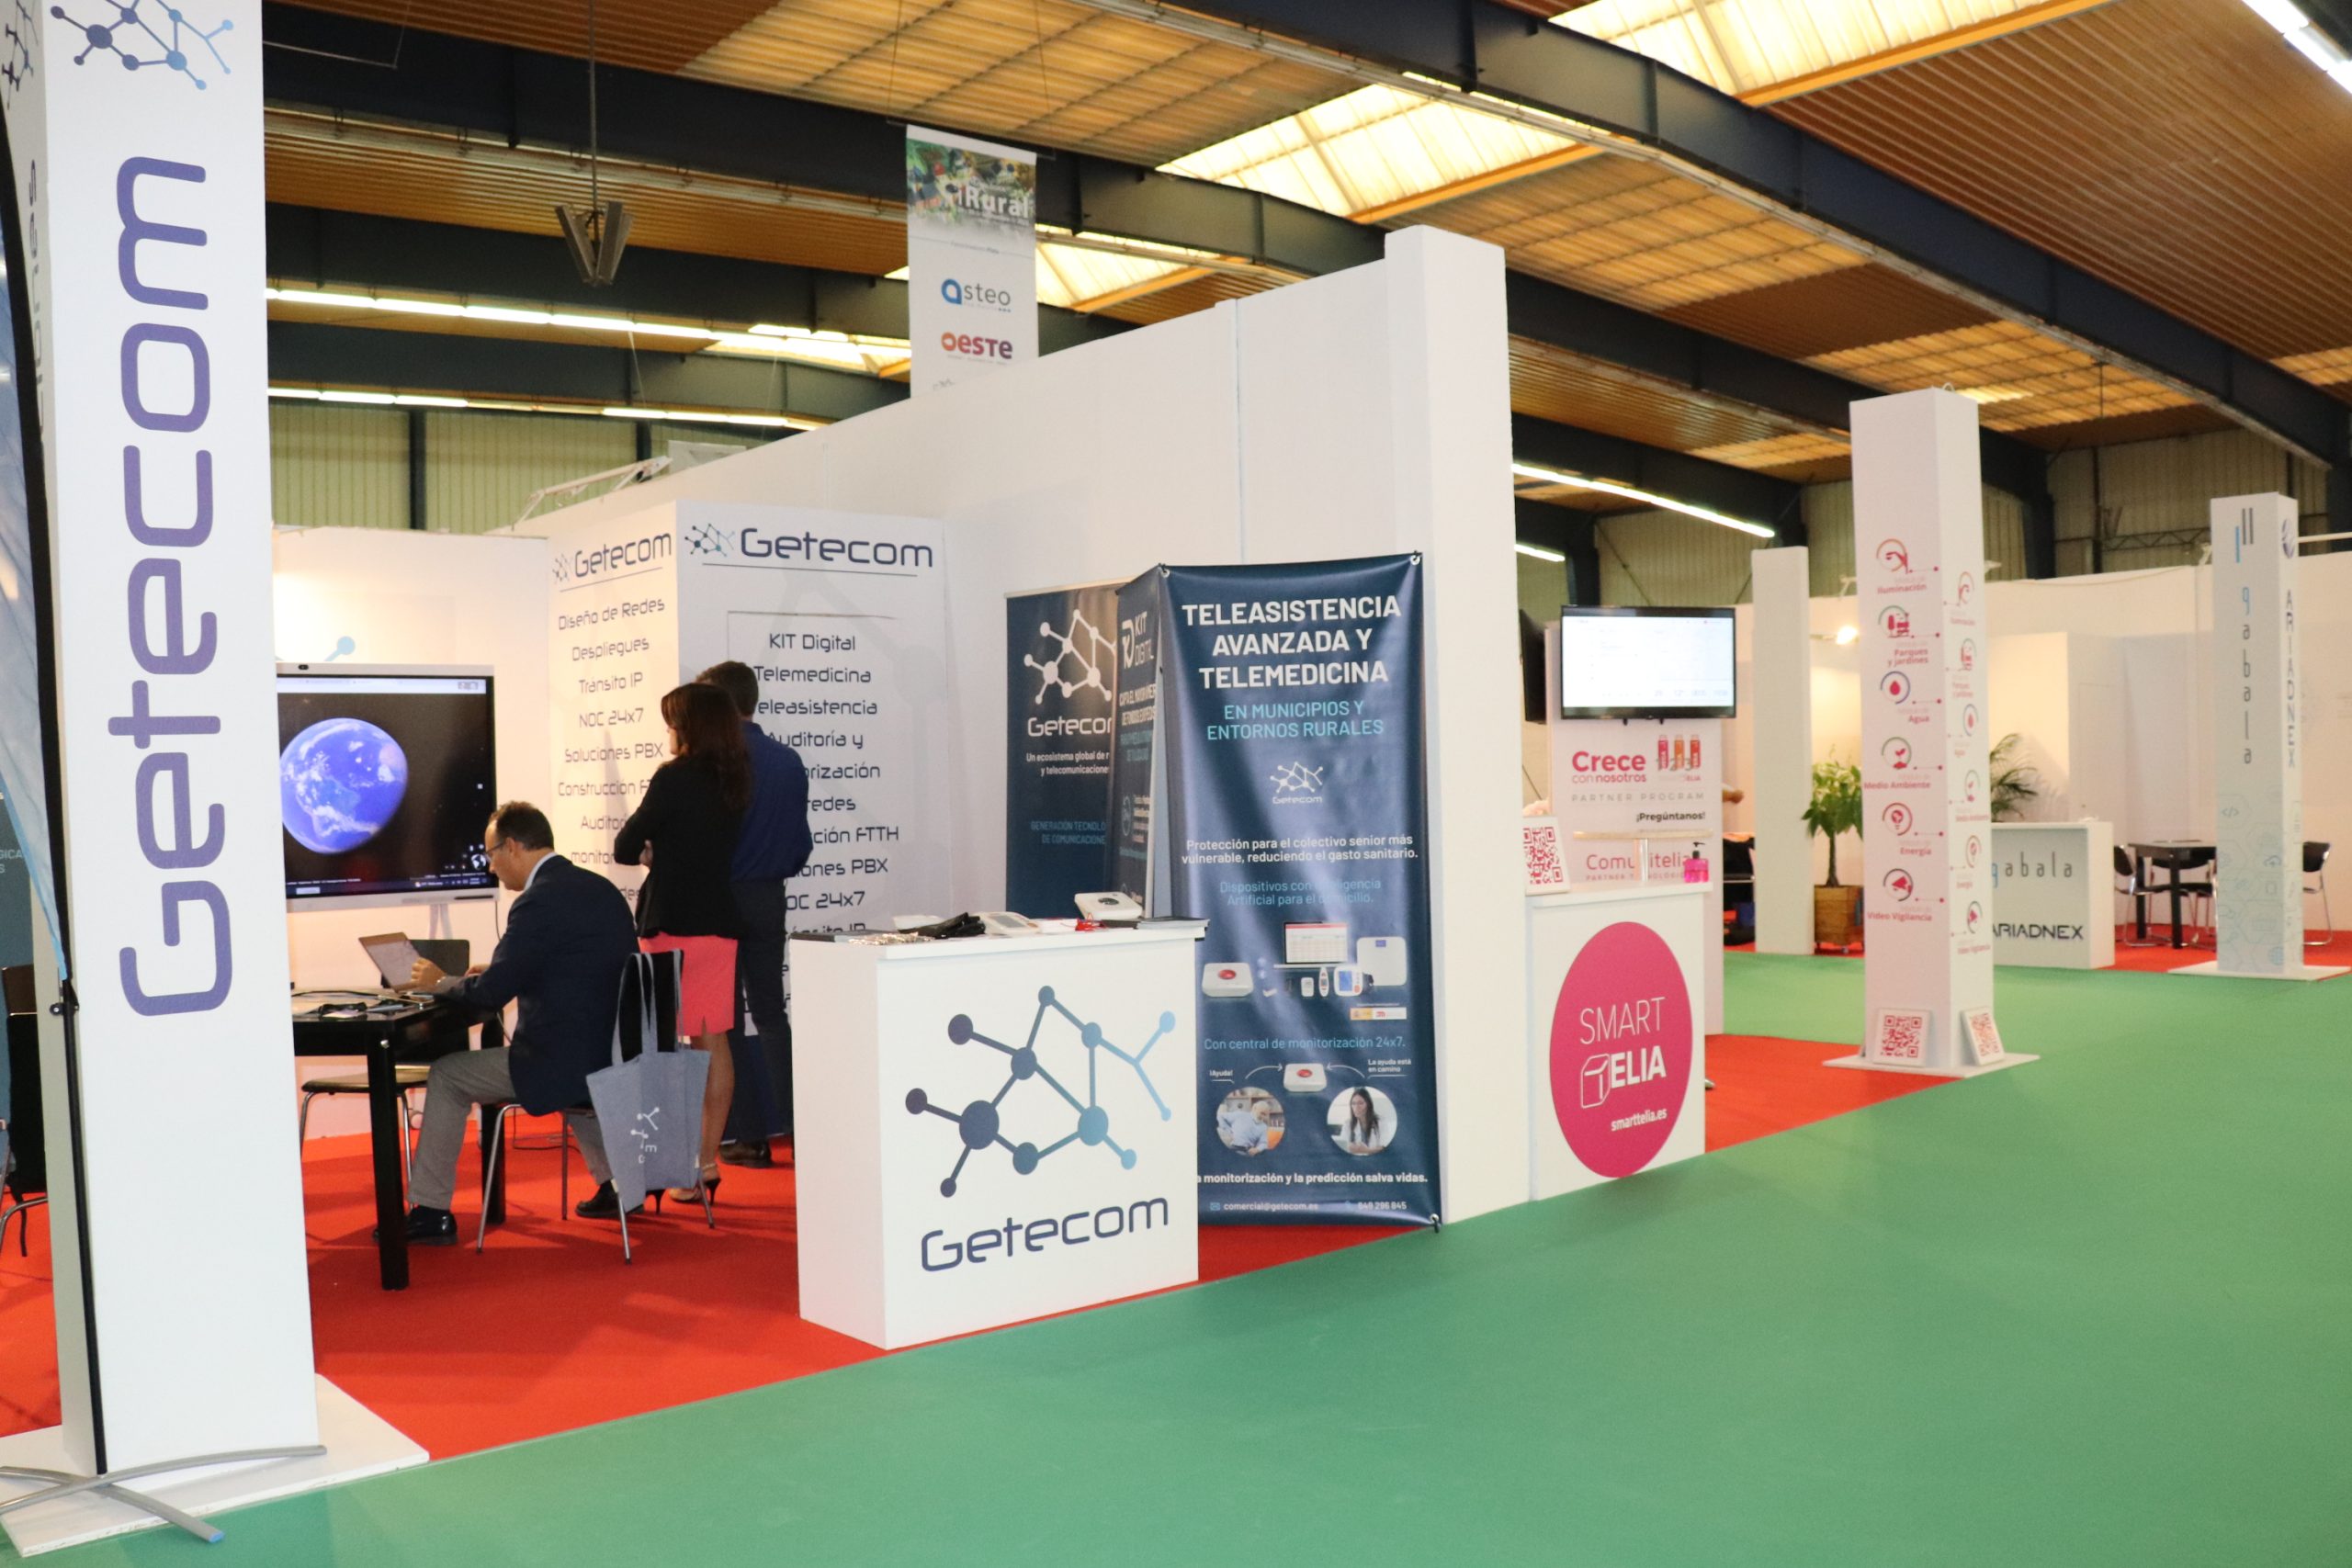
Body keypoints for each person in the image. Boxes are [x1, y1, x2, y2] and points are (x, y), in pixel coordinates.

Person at [396, 803, 641, 1243]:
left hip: (561, 1062)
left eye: (491, 855)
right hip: (612, 1054)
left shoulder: (536, 901)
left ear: (511, 846)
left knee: (447, 1075)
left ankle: (431, 1211)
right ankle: (619, 1185)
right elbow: (568, 965)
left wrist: (440, 982)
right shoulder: (598, 889)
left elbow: (491, 995)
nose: (490, 867)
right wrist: (495, 971)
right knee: (577, 1074)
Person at [616, 683, 748, 1202]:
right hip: (718, 923)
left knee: (665, 1048)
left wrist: (655, 854)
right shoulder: (735, 778)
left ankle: (667, 1163)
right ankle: (705, 1163)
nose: (668, 731)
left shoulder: (672, 777)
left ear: (688, 727)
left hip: (670, 922)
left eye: (672, 721)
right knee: (714, 1041)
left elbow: (626, 845)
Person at [695, 660, 812, 1170]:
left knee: (725, 1021)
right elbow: (800, 844)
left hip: (720, 902)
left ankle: (749, 1136)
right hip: (768, 898)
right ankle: (797, 1130)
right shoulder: (788, 761)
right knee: (770, 1014)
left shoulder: (713, 764)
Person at [1335, 1087, 1383, 1156]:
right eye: (1353, 1103)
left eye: (1360, 1103)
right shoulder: (1347, 1124)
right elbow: (1343, 1145)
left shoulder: (1381, 1122)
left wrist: (1367, 1150)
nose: (1356, 1107)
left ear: (1368, 1105)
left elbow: (1385, 1147)